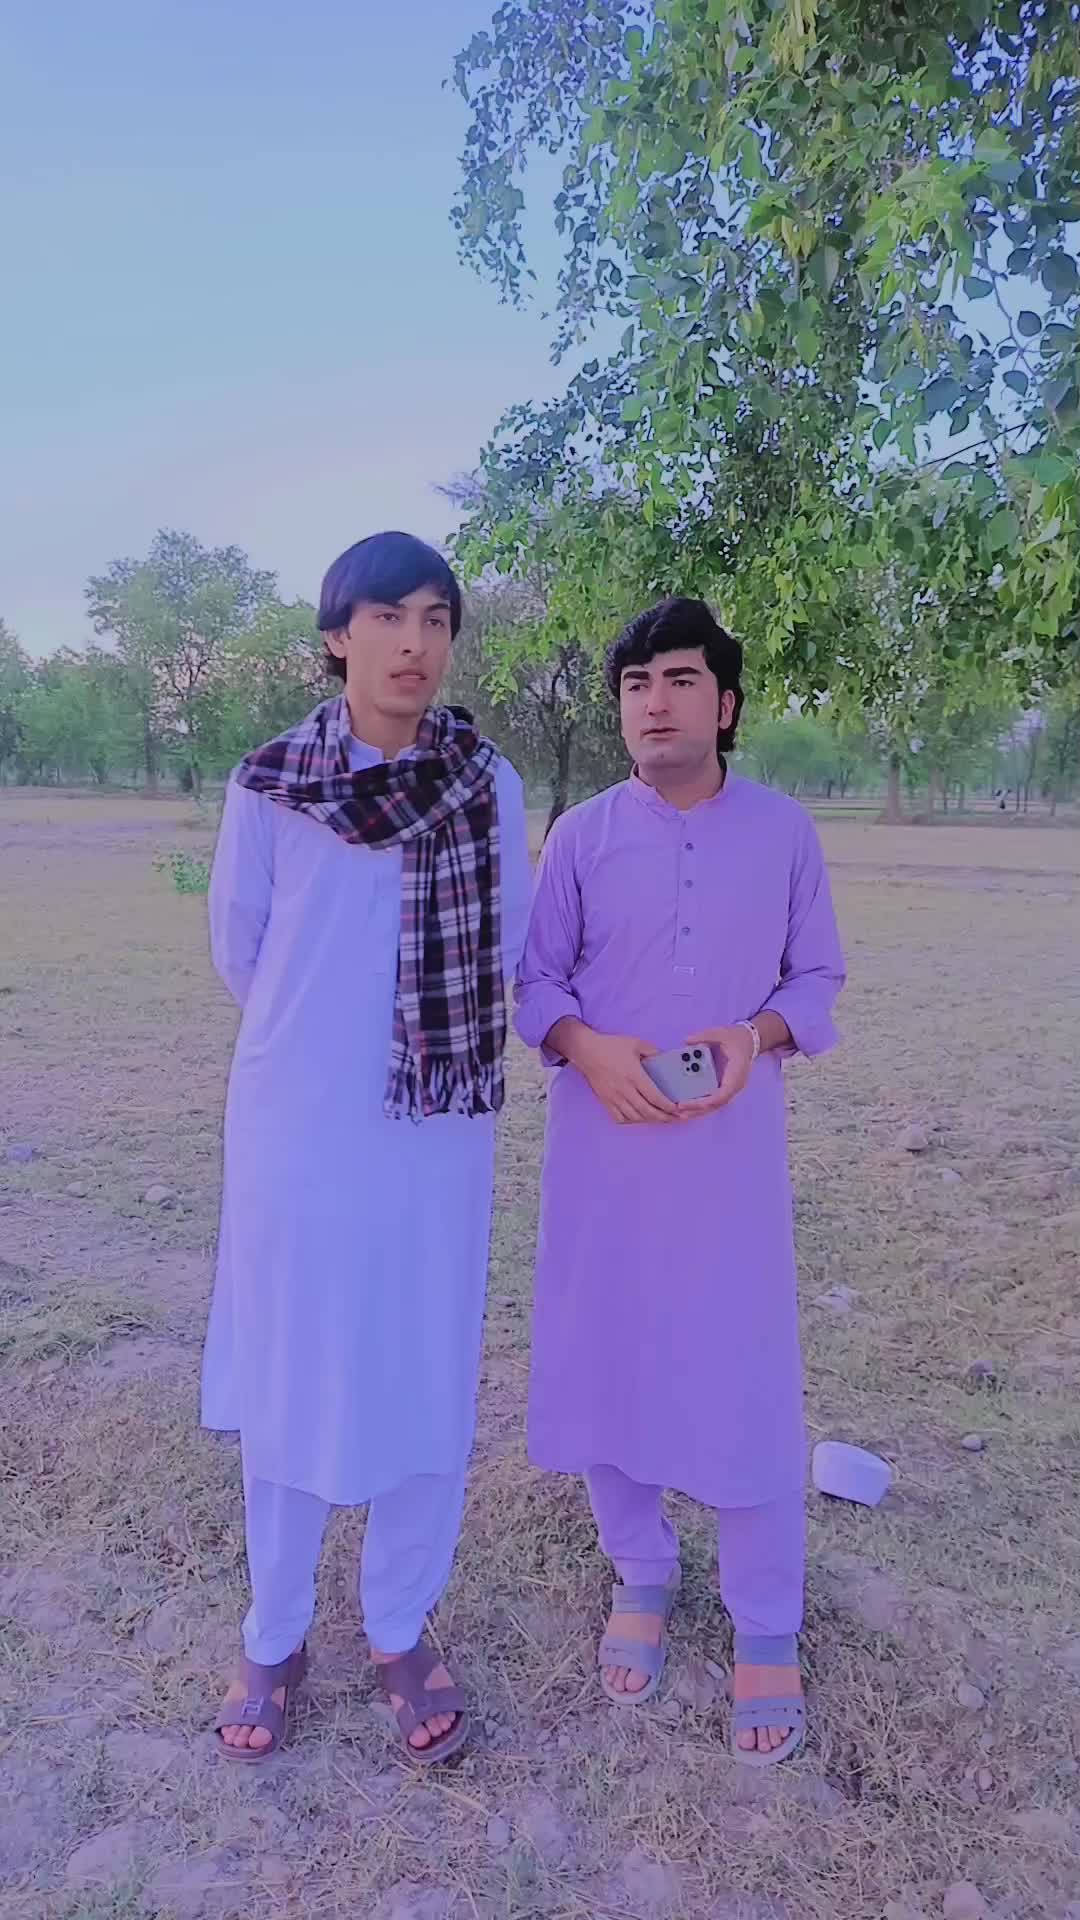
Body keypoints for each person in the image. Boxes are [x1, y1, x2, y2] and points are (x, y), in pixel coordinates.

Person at [202, 531, 532, 1764]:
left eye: (437, 618)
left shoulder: (485, 782)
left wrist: (408, 1051)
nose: (415, 642)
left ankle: (397, 1624)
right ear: (340, 635)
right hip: (297, 1125)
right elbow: (241, 950)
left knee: (421, 1364)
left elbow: (510, 946)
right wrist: (332, 1046)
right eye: (389, 617)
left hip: (436, 1129)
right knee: (292, 1369)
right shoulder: (269, 784)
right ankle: (275, 1631)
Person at [514, 597, 845, 1766]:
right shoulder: (582, 837)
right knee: (610, 1353)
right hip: (603, 1151)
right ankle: (641, 1571)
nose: (655, 702)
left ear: (727, 703)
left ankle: (767, 1622)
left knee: (743, 1372)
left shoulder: (785, 834)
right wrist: (589, 1049)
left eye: (680, 680)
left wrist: (755, 1038)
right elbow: (536, 985)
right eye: (636, 684)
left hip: (728, 1162)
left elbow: (817, 980)